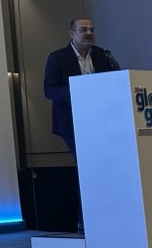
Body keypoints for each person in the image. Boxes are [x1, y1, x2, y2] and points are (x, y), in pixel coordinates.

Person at [43, 17, 119, 157]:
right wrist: (78, 93)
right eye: (83, 30)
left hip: (101, 118)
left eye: (92, 30)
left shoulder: (101, 54)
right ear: (72, 34)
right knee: (85, 159)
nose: (89, 33)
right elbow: (50, 90)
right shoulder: (58, 57)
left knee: (104, 157)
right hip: (71, 119)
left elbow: (111, 81)